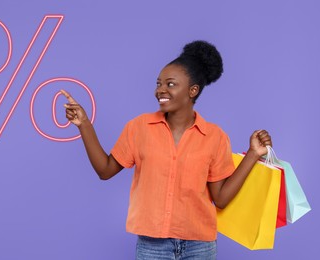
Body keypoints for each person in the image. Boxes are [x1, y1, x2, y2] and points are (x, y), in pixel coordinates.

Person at [61, 40, 272, 260]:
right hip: (152, 246)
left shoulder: (215, 137)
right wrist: (84, 124)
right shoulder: (139, 127)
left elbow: (220, 198)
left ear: (192, 90)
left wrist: (253, 154)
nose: (160, 90)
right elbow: (105, 170)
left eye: (170, 84)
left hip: (200, 246)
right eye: (158, 83)